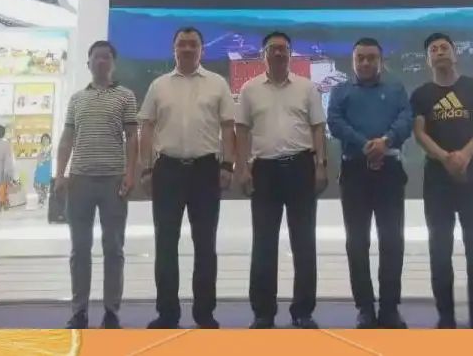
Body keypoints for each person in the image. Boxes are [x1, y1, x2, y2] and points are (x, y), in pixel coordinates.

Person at [138, 27, 236, 329]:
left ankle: (204, 313)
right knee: (165, 243)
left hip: (205, 170)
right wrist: (146, 168)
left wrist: (228, 165)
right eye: (182, 43)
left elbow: (228, 127)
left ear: (202, 49)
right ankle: (167, 313)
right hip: (167, 170)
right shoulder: (159, 85)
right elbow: (147, 128)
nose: (188, 48)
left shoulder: (217, 83)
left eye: (194, 44)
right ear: (174, 48)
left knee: (205, 245)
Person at [234, 31, 327, 330]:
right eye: (273, 48)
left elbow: (318, 128)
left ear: (290, 54)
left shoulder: (306, 87)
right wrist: (242, 168)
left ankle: (303, 311)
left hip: (301, 167)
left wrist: (320, 165)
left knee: (304, 242)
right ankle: (263, 312)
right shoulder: (249, 89)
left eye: (283, 49)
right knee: (264, 243)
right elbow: (242, 131)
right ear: (263, 55)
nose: (278, 53)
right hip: (264, 170)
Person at [410, 32, 473, 329]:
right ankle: (445, 317)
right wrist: (445, 157)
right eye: (433, 49)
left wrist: (465, 155)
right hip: (437, 180)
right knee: (440, 250)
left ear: (454, 54)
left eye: (444, 47)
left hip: (472, 177)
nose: (439, 52)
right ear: (428, 60)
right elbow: (419, 133)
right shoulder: (421, 94)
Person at [326, 37, 413, 329]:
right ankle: (365, 308)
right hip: (354, 172)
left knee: (392, 240)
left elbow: (406, 119)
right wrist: (365, 144)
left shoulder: (396, 89)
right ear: (353, 61)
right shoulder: (341, 91)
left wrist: (385, 141)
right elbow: (335, 122)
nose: (365, 62)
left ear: (380, 60)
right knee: (357, 242)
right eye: (360, 58)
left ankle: (389, 308)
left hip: (390, 171)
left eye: (371, 58)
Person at [56, 41, 138, 330]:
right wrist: (60, 173)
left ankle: (111, 312)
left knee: (113, 248)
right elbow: (67, 139)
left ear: (113, 63)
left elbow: (132, 138)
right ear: (88, 63)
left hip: (113, 182)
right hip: (79, 181)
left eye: (106, 57)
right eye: (96, 57)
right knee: (80, 249)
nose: (101, 61)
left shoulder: (126, 96)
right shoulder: (77, 99)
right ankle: (79, 311)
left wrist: (130, 174)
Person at [34, 133, 53, 207]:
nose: (45, 140)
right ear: (41, 140)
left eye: (46, 139)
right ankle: (41, 199)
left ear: (49, 140)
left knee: (45, 186)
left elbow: (49, 159)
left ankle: (42, 200)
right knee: (37, 185)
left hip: (46, 169)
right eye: (43, 139)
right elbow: (38, 159)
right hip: (40, 169)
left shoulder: (50, 148)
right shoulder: (40, 148)